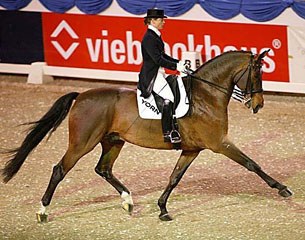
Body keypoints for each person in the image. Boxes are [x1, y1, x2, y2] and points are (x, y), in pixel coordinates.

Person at [138, 8, 187, 144]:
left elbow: (163, 56)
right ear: (152, 21)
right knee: (169, 97)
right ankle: (168, 132)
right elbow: (158, 60)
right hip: (152, 75)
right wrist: (176, 67)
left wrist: (178, 62)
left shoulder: (155, 35)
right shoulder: (149, 38)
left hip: (159, 72)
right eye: (161, 20)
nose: (163, 22)